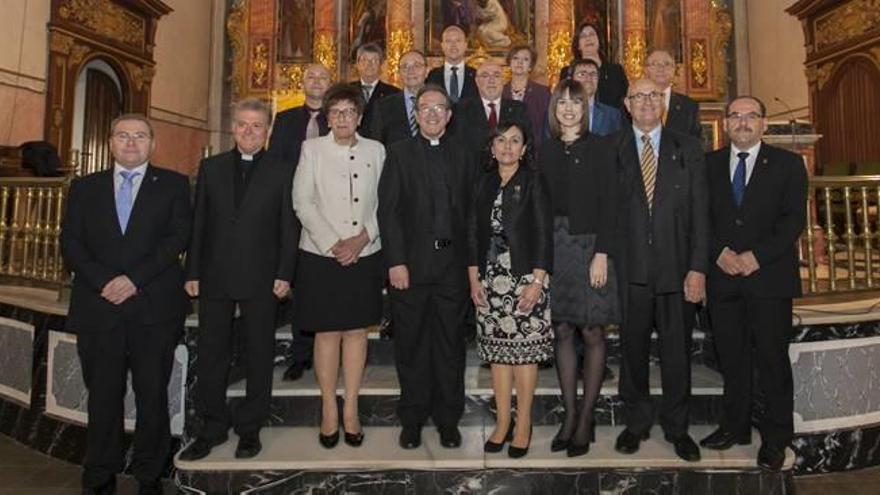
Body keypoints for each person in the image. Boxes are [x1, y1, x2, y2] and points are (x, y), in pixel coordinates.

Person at [61, 114, 191, 495]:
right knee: (102, 396)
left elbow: (177, 238)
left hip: (153, 309)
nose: (131, 143)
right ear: (110, 142)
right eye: (123, 135)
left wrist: (133, 279)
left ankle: (149, 475)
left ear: (153, 143)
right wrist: (104, 280)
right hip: (99, 307)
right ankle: (100, 473)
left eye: (139, 136)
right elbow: (71, 242)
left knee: (153, 396)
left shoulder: (173, 185)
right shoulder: (85, 188)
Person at [180, 99, 297, 461]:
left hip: (263, 276)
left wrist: (284, 273)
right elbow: (199, 222)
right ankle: (211, 427)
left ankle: (250, 428)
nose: (249, 131)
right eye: (243, 125)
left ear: (268, 131)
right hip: (214, 275)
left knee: (259, 355)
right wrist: (192, 271)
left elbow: (288, 227)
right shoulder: (211, 167)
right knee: (213, 354)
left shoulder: (282, 169)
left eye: (257, 126)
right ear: (233, 128)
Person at [702, 96, 806, 471]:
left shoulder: (789, 165)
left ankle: (777, 438)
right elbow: (699, 218)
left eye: (750, 116)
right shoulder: (708, 164)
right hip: (723, 280)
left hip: (769, 279)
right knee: (732, 359)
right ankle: (736, 426)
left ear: (764, 123)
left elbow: (793, 221)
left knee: (772, 361)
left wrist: (755, 256)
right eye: (735, 116)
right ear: (726, 123)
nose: (742, 122)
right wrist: (718, 253)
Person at [609, 78, 708, 462]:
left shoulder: (688, 147)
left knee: (677, 352)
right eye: (639, 96)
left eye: (653, 95)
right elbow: (606, 213)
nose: (647, 102)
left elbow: (701, 215)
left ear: (662, 103)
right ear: (626, 104)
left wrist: (698, 268)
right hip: (629, 269)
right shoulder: (612, 148)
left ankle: (677, 427)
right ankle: (636, 423)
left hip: (677, 270)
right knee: (632, 351)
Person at [378, 84, 475, 450]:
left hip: (452, 267)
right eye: (425, 108)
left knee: (451, 346)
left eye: (439, 108)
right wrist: (396, 262)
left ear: (449, 116)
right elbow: (389, 213)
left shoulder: (465, 155)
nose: (432, 113)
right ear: (416, 116)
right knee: (412, 345)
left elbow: (470, 217)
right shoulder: (399, 154)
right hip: (411, 268)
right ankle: (413, 419)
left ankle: (448, 419)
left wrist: (470, 267)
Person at [292, 84, 385, 449]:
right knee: (328, 333)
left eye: (349, 112)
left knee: (357, 332)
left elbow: (386, 201)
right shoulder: (311, 149)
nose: (343, 118)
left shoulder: (377, 150)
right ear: (327, 117)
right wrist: (334, 244)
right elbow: (302, 200)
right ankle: (329, 407)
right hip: (321, 254)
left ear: (360, 117)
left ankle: (352, 409)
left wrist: (362, 239)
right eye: (336, 112)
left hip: (364, 253)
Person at [539, 79, 619, 457]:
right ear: (554, 109)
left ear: (586, 108)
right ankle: (569, 416)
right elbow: (538, 210)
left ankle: (587, 419)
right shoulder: (544, 151)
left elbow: (610, 203)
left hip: (591, 247)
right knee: (562, 330)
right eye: (562, 103)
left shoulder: (602, 148)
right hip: (555, 247)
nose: (568, 108)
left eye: (576, 102)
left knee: (592, 330)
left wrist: (602, 252)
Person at [468, 120, 553, 458]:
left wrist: (537, 282)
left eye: (514, 141)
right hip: (489, 280)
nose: (507, 147)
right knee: (497, 357)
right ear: (491, 147)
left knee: (524, 356)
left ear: (525, 148)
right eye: (500, 141)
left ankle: (523, 424)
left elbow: (545, 234)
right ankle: (502, 422)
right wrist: (473, 278)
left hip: (524, 280)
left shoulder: (534, 181)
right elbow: (472, 232)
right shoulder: (483, 182)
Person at [267, 63, 332, 381]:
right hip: (293, 209)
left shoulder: (338, 118)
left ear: (330, 83)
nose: (316, 81)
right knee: (299, 282)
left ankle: (329, 352)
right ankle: (301, 353)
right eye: (311, 76)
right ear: (302, 82)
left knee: (327, 282)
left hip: (331, 212)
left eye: (322, 77)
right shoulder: (286, 119)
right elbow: (275, 164)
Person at [453, 60, 531, 160]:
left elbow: (527, 145)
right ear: (477, 81)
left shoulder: (519, 110)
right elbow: (456, 149)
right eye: (485, 76)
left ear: (504, 80)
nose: (491, 80)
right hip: (472, 172)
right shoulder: (461, 109)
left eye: (497, 75)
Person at [559, 21, 629, 110]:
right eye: (583, 36)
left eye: (592, 34)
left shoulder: (615, 71)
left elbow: (625, 101)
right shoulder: (568, 72)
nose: (588, 38)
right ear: (578, 46)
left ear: (599, 41)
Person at [369, 50, 429, 147]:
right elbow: (376, 145)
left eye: (417, 66)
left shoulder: (440, 103)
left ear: (427, 71)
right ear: (399, 73)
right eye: (405, 67)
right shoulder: (383, 107)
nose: (411, 71)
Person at [644, 49, 702, 140]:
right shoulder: (634, 102)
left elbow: (695, 144)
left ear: (674, 70)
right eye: (655, 64)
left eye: (666, 64)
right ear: (646, 70)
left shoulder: (689, 106)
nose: (661, 68)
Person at [502, 45, 551, 149]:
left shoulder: (542, 93)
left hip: (535, 151)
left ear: (530, 66)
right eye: (515, 58)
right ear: (509, 63)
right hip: (505, 151)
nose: (520, 62)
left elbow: (547, 127)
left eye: (525, 59)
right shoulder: (500, 91)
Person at [350, 43, 400, 137]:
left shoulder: (394, 93)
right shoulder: (346, 91)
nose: (369, 64)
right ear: (357, 64)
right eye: (364, 60)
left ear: (381, 65)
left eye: (374, 60)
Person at [570, 58, 623, 137]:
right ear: (571, 80)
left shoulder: (612, 116)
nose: (588, 78)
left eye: (593, 74)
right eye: (582, 74)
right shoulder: (559, 112)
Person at [427, 25, 478, 103]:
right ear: (442, 46)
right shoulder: (432, 76)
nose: (453, 45)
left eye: (458, 41)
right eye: (448, 41)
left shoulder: (476, 75)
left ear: (465, 45)